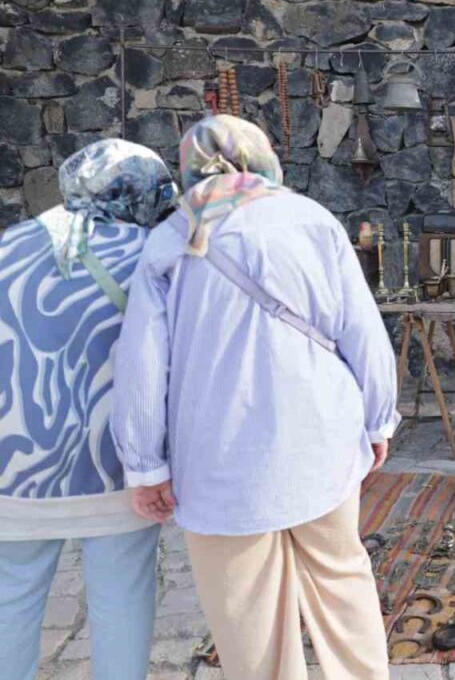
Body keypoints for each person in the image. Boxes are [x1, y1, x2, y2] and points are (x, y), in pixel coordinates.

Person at [112, 116, 399, 680]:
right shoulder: (312, 220)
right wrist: (376, 421)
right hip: (320, 435)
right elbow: (363, 331)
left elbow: (142, 361)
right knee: (343, 581)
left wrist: (146, 466)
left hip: (220, 455)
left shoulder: (172, 239)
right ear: (262, 155)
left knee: (246, 612)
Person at [0, 140, 175, 680]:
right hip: (118, 468)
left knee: (12, 596)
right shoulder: (154, 254)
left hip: (14, 468)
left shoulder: (9, 247)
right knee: (122, 594)